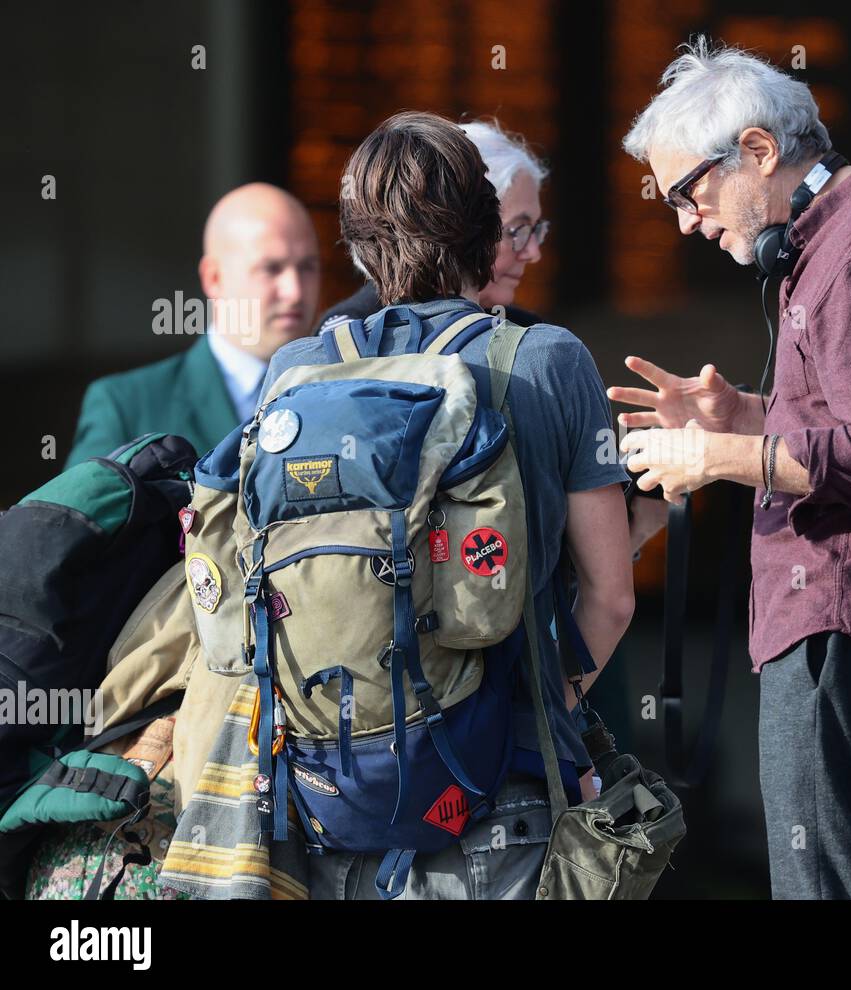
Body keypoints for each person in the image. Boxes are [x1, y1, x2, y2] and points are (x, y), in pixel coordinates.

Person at [614, 39, 851, 899]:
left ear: (757, 151)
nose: (685, 220)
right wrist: (746, 419)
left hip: (850, 619)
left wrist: (718, 457)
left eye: (689, 191)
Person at [289, 110, 634, 898]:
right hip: (500, 795)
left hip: (334, 799)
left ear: (356, 242)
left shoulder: (300, 370)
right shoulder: (547, 360)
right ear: (486, 232)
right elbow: (611, 598)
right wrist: (537, 703)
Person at [64, 183, 320, 466]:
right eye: (271, 268)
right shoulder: (126, 407)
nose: (295, 290)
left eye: (307, 266)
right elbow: (74, 510)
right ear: (214, 278)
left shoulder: (341, 389)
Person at [318, 119, 548, 330]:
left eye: (536, 230)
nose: (533, 253)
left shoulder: (526, 332)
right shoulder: (352, 334)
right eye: (518, 230)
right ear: (455, 222)